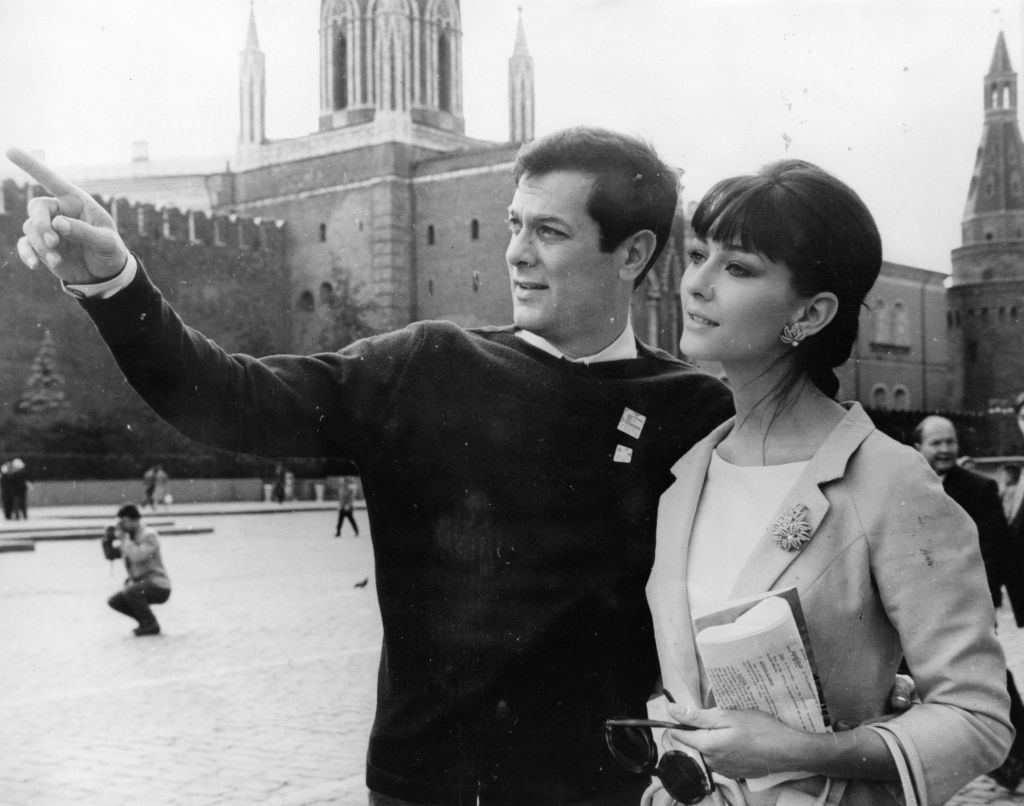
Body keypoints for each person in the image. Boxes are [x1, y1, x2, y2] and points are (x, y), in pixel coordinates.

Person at [7, 129, 736, 805]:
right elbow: (229, 397)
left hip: (600, 792)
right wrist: (114, 283)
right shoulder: (431, 366)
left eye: (549, 232)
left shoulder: (693, 411)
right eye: (514, 224)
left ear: (634, 254)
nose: (515, 252)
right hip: (426, 787)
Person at [639, 160, 1011, 805]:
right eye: (699, 254)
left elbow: (977, 720)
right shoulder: (687, 474)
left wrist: (803, 751)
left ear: (810, 314)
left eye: (738, 268)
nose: (695, 284)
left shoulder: (888, 479)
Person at [104, 503, 172, 636]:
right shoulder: (129, 538)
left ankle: (151, 624)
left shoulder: (149, 536)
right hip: (141, 584)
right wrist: (107, 540)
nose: (123, 526)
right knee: (115, 601)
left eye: (125, 522)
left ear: (136, 520)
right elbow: (111, 555)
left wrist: (124, 539)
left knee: (131, 591)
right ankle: (145, 622)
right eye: (120, 523)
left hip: (158, 584)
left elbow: (137, 556)